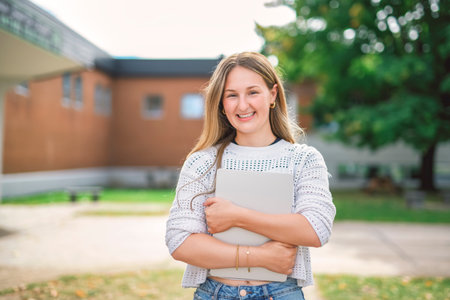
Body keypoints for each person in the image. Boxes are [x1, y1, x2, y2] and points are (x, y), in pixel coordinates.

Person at [165, 52, 335, 300]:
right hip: (215, 293)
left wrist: (237, 216)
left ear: (273, 95)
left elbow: (315, 229)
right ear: (222, 104)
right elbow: (180, 241)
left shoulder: (304, 159)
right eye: (232, 95)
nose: (242, 105)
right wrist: (261, 257)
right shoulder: (202, 161)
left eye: (253, 92)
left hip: (280, 293)